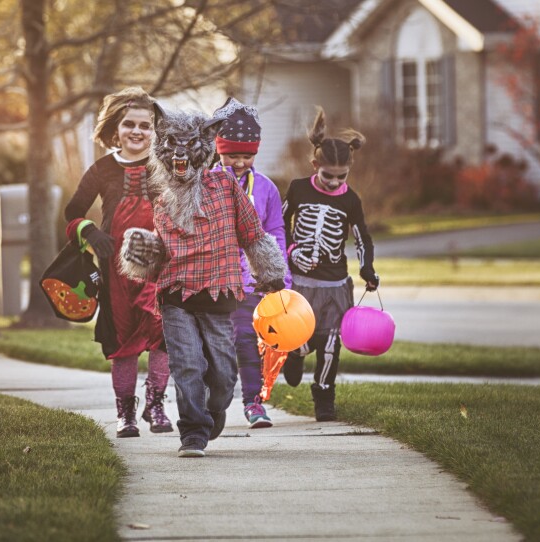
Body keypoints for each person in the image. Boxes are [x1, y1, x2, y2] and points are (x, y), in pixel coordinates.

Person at [118, 104, 287, 458]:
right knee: (188, 364)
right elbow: (162, 250)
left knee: (224, 375)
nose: (180, 156)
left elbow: (253, 233)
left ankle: (212, 413)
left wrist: (270, 274)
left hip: (220, 293)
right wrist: (142, 252)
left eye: (188, 147)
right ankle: (193, 433)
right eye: (172, 147)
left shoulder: (225, 184)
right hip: (176, 294)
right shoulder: (162, 196)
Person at [63, 87, 173, 438]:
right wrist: (90, 232)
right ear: (116, 128)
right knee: (121, 341)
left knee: (162, 336)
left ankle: (155, 405)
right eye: (129, 125)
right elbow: (72, 212)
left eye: (145, 125)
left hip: (160, 265)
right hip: (115, 271)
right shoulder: (102, 169)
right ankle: (124, 412)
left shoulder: (166, 164)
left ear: (155, 131)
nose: (137, 132)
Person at [280, 107, 379, 421]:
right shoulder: (298, 189)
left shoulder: (350, 199)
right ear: (315, 165)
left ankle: (324, 395)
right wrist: (291, 251)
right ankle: (294, 354)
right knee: (301, 336)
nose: (335, 182)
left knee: (331, 342)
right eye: (328, 176)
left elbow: (362, 236)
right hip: (300, 283)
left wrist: (367, 269)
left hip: (335, 285)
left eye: (342, 177)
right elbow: (278, 226)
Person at [210, 97, 291, 429]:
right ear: (218, 150)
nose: (239, 162)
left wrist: (279, 278)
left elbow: (275, 232)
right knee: (214, 349)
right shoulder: (206, 182)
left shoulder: (267, 189)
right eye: (232, 155)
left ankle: (253, 403)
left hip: (249, 284)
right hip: (212, 282)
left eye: (246, 155)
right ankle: (212, 404)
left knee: (246, 340)